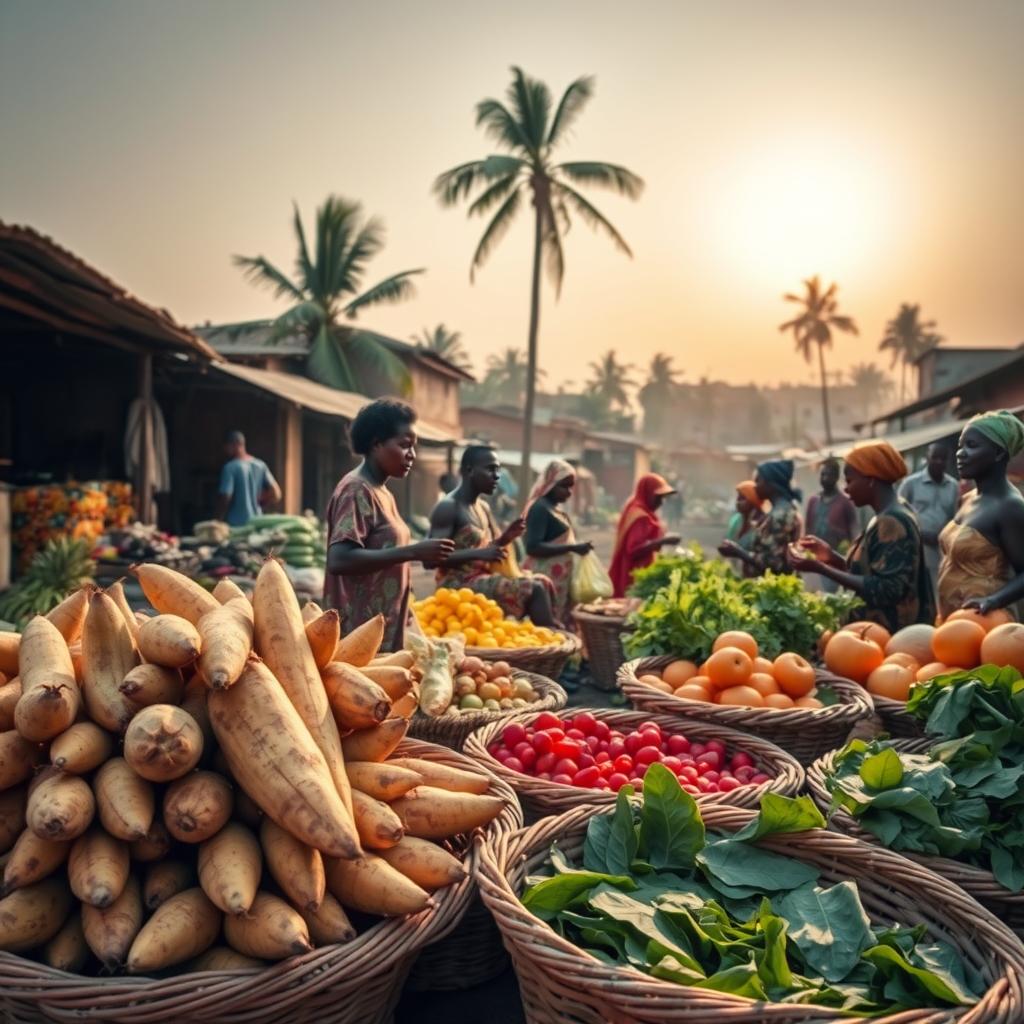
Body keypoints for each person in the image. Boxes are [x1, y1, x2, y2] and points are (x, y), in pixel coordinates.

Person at [324, 399, 455, 652]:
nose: (412, 455)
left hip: (384, 629)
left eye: (414, 447)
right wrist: (414, 552)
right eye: (404, 445)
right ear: (376, 444)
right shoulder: (356, 490)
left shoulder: (382, 491)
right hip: (358, 634)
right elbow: (339, 559)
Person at [788, 440, 935, 632]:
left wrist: (820, 568)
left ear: (871, 479)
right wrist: (831, 557)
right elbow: (871, 572)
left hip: (890, 639)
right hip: (874, 638)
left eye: (849, 481)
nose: (846, 489)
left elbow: (886, 589)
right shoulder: (888, 514)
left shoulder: (892, 522)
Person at [429, 445, 558, 626]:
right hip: (456, 585)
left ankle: (541, 636)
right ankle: (549, 639)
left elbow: (488, 549)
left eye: (497, 469)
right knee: (533, 588)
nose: (497, 475)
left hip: (483, 576)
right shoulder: (448, 507)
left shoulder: (483, 507)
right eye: (490, 469)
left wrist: (506, 538)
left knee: (542, 581)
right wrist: (478, 553)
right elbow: (429, 560)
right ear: (469, 470)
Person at [938, 411, 1024, 619]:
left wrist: (993, 600)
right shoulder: (967, 499)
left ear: (998, 453)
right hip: (954, 621)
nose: (960, 453)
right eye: (961, 445)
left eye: (972, 446)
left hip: (986, 623)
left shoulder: (1010, 506)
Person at [523, 459, 593, 626]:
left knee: (560, 622)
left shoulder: (555, 509)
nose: (569, 492)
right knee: (546, 623)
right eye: (564, 486)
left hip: (559, 579)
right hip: (545, 578)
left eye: (571, 487)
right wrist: (573, 547)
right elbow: (532, 547)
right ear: (550, 484)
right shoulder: (540, 508)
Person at [718, 459, 802, 576]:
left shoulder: (780, 515)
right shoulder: (780, 511)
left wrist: (738, 552)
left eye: (758, 481)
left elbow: (773, 563)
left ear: (771, 484)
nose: (755, 486)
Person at [898, 443, 959, 594]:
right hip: (915, 545)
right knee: (915, 587)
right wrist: (919, 533)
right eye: (935, 457)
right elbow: (899, 513)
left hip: (941, 548)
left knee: (939, 588)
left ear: (948, 461)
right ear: (927, 458)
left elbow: (957, 518)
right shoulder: (911, 483)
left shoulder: (953, 486)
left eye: (942, 458)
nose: (939, 462)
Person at [608, 474, 681, 596]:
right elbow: (633, 549)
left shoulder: (634, 507)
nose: (661, 503)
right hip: (634, 574)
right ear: (647, 493)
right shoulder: (640, 516)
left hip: (630, 570)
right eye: (658, 497)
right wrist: (663, 541)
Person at [804, 458, 858, 593]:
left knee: (830, 596)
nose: (824, 478)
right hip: (815, 561)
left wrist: (851, 559)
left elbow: (854, 532)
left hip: (836, 561)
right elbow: (807, 531)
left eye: (828, 474)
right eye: (822, 474)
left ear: (836, 477)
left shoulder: (845, 502)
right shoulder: (813, 501)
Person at [215, 430, 281, 527]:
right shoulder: (260, 465)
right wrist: (261, 502)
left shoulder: (230, 467)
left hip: (237, 526)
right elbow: (276, 494)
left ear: (235, 444)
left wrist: (218, 520)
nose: (225, 450)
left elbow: (226, 497)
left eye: (226, 446)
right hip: (256, 524)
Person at [723, 480, 767, 578]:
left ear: (753, 499)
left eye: (742, 498)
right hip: (735, 574)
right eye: (737, 498)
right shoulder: (736, 520)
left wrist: (738, 552)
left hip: (755, 577)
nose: (738, 502)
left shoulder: (763, 522)